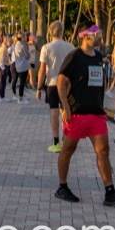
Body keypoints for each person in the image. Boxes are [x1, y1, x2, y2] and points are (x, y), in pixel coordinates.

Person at [54, 25, 115, 206]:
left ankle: (110, 191)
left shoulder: (98, 57)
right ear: (85, 37)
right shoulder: (74, 57)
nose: (99, 37)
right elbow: (61, 82)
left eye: (99, 33)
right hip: (76, 113)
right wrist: (65, 106)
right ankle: (62, 187)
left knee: (103, 150)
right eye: (96, 34)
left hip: (96, 113)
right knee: (68, 150)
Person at [37, 21, 75, 153]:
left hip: (52, 83)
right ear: (62, 31)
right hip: (67, 83)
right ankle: (66, 139)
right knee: (66, 109)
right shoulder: (70, 47)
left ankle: (56, 142)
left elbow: (42, 70)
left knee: (53, 111)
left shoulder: (46, 48)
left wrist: (38, 87)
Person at [11, 33, 31, 104]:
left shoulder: (16, 44)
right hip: (23, 66)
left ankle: (21, 96)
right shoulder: (22, 45)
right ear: (22, 38)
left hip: (18, 65)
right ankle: (20, 98)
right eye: (25, 37)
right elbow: (28, 56)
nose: (26, 38)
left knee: (21, 82)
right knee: (22, 83)